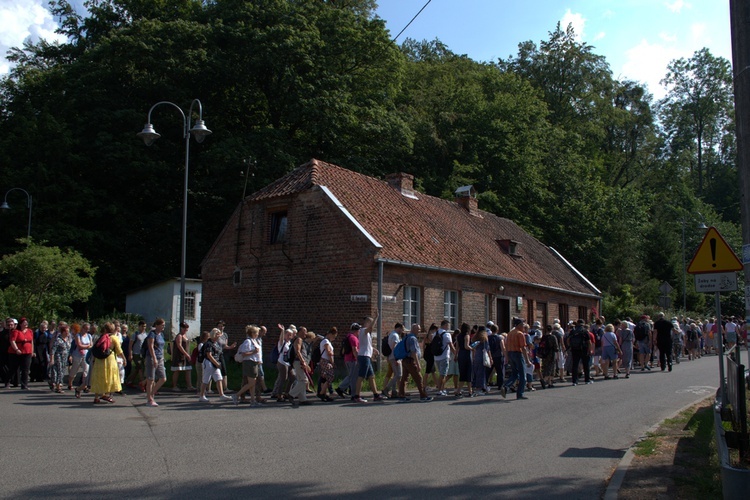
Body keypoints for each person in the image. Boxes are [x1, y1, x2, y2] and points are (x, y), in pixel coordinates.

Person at [352, 315, 385, 403]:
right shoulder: (363, 330)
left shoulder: (366, 334)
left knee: (371, 376)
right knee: (361, 376)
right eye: (371, 322)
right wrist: (376, 318)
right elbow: (370, 328)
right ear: (367, 323)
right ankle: (357, 396)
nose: (372, 325)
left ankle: (376, 395)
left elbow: (365, 344)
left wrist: (373, 349)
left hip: (367, 356)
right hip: (363, 356)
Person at [90, 322, 124, 404]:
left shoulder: (100, 337)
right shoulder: (114, 338)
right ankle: (107, 395)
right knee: (110, 377)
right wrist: (124, 359)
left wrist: (94, 359)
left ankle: (96, 397)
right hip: (110, 360)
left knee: (99, 378)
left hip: (99, 360)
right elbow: (119, 351)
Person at [397, 324, 432, 402]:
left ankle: (401, 395)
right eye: (418, 329)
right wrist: (418, 363)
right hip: (411, 361)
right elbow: (414, 352)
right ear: (413, 329)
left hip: (405, 360)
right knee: (419, 378)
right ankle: (423, 396)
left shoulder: (407, 337)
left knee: (404, 378)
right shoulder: (412, 338)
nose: (419, 331)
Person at [198, 328, 232, 403]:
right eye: (217, 334)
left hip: (215, 363)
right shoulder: (208, 343)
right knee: (206, 379)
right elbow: (209, 355)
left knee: (219, 378)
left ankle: (221, 395)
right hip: (209, 363)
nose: (219, 336)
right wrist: (216, 363)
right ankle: (202, 395)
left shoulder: (216, 343)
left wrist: (217, 363)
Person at [233, 325, 263, 406]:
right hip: (249, 363)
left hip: (255, 363)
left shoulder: (254, 341)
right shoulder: (248, 341)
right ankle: (236, 395)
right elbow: (244, 353)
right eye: (256, 333)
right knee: (252, 383)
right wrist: (254, 352)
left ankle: (252, 400)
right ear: (252, 333)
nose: (257, 334)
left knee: (252, 383)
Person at [502, 319, 531, 399]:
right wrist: (527, 361)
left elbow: (506, 346)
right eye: (522, 325)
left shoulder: (510, 333)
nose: (523, 327)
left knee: (514, 373)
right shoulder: (520, 334)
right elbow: (523, 348)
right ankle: (520, 394)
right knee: (522, 375)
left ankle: (506, 386)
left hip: (511, 354)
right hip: (518, 354)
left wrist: (507, 357)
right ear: (518, 325)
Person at [145, 318, 168, 407]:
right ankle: (149, 399)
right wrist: (154, 358)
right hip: (151, 357)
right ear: (157, 325)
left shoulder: (161, 334)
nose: (163, 327)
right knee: (151, 379)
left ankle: (151, 395)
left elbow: (161, 347)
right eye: (162, 325)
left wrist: (162, 358)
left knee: (163, 378)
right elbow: (150, 347)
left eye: (164, 325)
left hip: (160, 358)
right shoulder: (152, 334)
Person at [288, 326, 313, 406]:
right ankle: (291, 394)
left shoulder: (300, 340)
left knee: (300, 380)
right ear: (299, 332)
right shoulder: (299, 339)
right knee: (304, 380)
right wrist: (303, 362)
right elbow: (298, 351)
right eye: (304, 331)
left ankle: (303, 399)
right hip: (299, 362)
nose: (306, 333)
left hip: (299, 362)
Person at [9, 317, 35, 390]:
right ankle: (8, 381)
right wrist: (16, 349)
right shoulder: (16, 331)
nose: (26, 324)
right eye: (24, 322)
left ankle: (24, 385)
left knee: (26, 369)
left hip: (27, 352)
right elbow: (12, 341)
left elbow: (31, 341)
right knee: (14, 368)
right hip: (18, 352)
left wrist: (32, 351)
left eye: (26, 322)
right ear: (20, 324)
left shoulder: (30, 331)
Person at [335, 323, 359, 399]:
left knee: (352, 376)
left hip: (347, 359)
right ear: (356, 330)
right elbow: (354, 350)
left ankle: (349, 391)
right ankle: (342, 389)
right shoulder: (353, 338)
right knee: (353, 377)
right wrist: (358, 359)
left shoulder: (348, 336)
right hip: (352, 359)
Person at [381, 323, 404, 399]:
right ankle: (386, 389)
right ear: (399, 328)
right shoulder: (395, 336)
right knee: (399, 374)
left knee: (395, 375)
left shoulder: (391, 334)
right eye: (402, 329)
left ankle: (394, 392)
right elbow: (393, 347)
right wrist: (396, 358)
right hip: (395, 358)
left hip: (392, 357)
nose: (402, 331)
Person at [272, 325, 294, 402]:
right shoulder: (282, 342)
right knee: (283, 378)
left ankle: (287, 393)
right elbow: (281, 339)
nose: (289, 336)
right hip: (282, 362)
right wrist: (282, 330)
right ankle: (279, 395)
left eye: (290, 335)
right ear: (285, 335)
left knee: (292, 377)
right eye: (287, 335)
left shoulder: (289, 343)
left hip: (288, 363)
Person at [567, 319, 592, 385]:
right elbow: (589, 342)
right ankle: (587, 380)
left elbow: (568, 340)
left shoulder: (573, 331)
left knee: (575, 365)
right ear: (583, 324)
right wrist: (590, 350)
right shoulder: (585, 331)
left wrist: (570, 346)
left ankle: (574, 381)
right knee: (585, 365)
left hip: (575, 349)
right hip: (584, 349)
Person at [170, 322, 194, 391]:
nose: (185, 330)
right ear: (181, 328)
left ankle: (189, 386)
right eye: (184, 328)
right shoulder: (179, 336)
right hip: (179, 356)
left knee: (188, 369)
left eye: (186, 328)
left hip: (186, 357)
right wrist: (186, 354)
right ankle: (174, 386)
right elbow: (179, 346)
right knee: (177, 370)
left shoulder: (185, 336)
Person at [316, 327, 337, 402]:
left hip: (325, 361)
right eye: (334, 336)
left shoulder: (326, 341)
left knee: (324, 378)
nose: (334, 338)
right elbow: (328, 352)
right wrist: (332, 362)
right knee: (330, 377)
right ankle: (321, 393)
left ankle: (324, 394)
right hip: (326, 361)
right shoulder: (326, 341)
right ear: (330, 334)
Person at [69, 323, 92, 392]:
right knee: (74, 370)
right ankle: (70, 383)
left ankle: (83, 385)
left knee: (86, 371)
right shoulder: (78, 335)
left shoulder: (89, 336)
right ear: (82, 328)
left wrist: (86, 346)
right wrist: (87, 346)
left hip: (86, 355)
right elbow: (79, 345)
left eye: (88, 329)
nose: (86, 330)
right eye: (85, 329)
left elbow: (91, 345)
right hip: (77, 355)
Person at [215, 321, 236, 394]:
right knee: (212, 370)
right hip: (214, 354)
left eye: (222, 326)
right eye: (219, 326)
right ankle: (207, 388)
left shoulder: (225, 335)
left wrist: (230, 347)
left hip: (221, 354)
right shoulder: (215, 334)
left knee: (224, 370)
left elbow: (225, 346)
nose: (221, 327)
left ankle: (225, 387)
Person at [50, 322, 72, 394]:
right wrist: (52, 359)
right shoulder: (58, 339)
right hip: (58, 357)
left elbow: (69, 349)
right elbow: (53, 350)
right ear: (63, 332)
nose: (68, 333)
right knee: (59, 371)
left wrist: (70, 356)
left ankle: (56, 383)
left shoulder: (68, 339)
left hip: (65, 357)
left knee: (63, 371)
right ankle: (58, 386)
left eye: (68, 331)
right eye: (66, 331)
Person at [433, 319, 453, 397]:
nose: (449, 327)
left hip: (436, 356)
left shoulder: (435, 333)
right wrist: (456, 354)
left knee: (441, 373)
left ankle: (442, 388)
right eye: (448, 325)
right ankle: (440, 390)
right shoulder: (447, 334)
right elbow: (451, 346)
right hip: (444, 356)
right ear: (445, 325)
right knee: (443, 374)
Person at [126, 321, 148, 389]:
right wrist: (130, 354)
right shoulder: (135, 334)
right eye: (142, 326)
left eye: (144, 326)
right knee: (140, 367)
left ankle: (129, 381)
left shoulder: (145, 334)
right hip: (136, 354)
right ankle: (143, 383)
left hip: (142, 354)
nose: (143, 328)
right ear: (139, 326)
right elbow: (130, 345)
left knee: (137, 369)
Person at [470, 326, 490, 394]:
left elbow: (472, 347)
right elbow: (487, 348)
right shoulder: (484, 338)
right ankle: (480, 388)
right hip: (482, 356)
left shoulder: (474, 338)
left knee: (475, 372)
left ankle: (475, 386)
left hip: (476, 356)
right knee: (481, 373)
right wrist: (490, 357)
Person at [456, 322, 473, 397]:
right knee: (468, 373)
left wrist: (456, 355)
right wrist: (472, 349)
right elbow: (466, 346)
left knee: (462, 373)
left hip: (460, 354)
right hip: (466, 354)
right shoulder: (467, 336)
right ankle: (470, 391)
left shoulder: (458, 336)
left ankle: (459, 391)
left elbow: (457, 347)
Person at [487, 324, 505, 390]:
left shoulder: (488, 338)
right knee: (500, 371)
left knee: (488, 371)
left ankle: (485, 383)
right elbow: (503, 347)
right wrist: (505, 355)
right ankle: (500, 385)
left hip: (490, 356)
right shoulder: (500, 338)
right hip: (498, 356)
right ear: (497, 330)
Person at [421, 323, 439, 390]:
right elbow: (433, 343)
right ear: (434, 329)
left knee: (433, 370)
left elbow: (423, 345)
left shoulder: (427, 335)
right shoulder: (431, 335)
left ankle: (437, 384)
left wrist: (423, 352)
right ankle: (424, 385)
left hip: (427, 351)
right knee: (428, 370)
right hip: (430, 353)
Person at [1, 318, 15, 387]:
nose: (10, 326)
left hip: (14, 353)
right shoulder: (2, 333)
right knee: (4, 368)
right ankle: (7, 381)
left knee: (13, 367)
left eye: (11, 325)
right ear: (5, 325)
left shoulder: (16, 332)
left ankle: (14, 381)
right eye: (8, 325)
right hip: (3, 353)